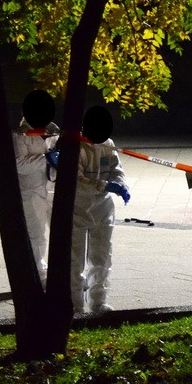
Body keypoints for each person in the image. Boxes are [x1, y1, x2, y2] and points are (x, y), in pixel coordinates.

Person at [71, 105, 130, 315]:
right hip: (78, 208)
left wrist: (120, 184)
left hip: (103, 209)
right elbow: (76, 181)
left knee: (102, 257)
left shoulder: (108, 144)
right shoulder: (76, 147)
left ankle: (98, 302)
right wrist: (103, 185)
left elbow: (116, 168)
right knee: (75, 259)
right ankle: (75, 305)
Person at [13, 90, 58, 285]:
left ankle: (60, 276)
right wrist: (46, 160)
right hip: (32, 191)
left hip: (54, 188)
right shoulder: (20, 134)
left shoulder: (55, 131)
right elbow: (19, 164)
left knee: (60, 233)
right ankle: (40, 279)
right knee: (37, 235)